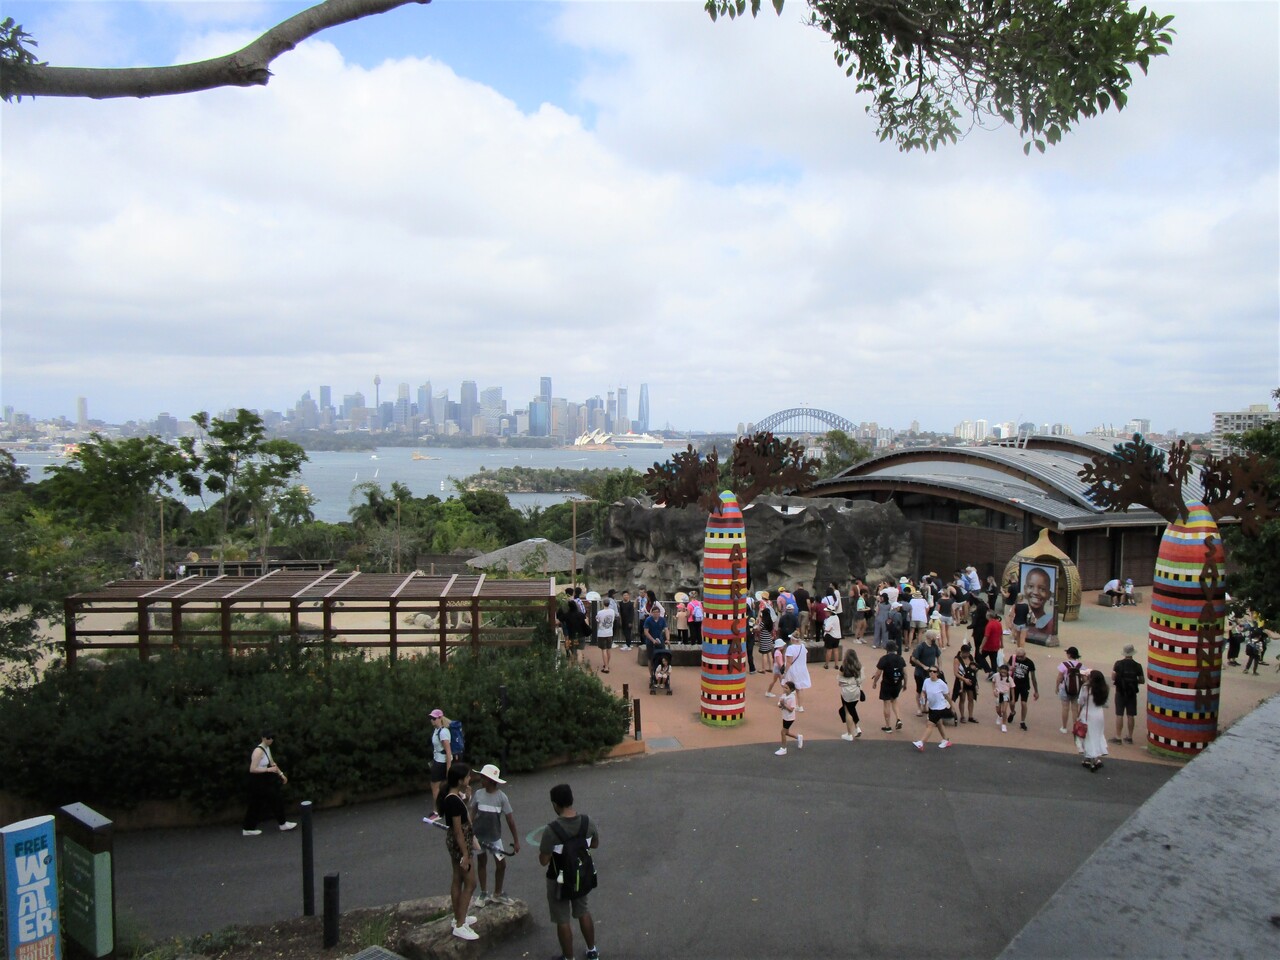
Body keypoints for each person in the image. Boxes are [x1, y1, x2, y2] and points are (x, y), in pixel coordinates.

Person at [539, 783, 600, 960]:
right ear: (571, 800)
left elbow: (544, 860)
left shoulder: (551, 830)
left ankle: (569, 957)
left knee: (562, 918)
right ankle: (592, 950)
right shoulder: (588, 822)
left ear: (555, 805)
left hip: (558, 879)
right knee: (583, 910)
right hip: (581, 875)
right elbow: (595, 843)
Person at [439, 762, 480, 940]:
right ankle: (460, 924)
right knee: (471, 882)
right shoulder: (453, 800)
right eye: (468, 776)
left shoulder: (453, 798)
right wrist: (465, 854)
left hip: (457, 841)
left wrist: (466, 799)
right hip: (460, 843)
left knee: (457, 878)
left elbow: (458, 813)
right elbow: (458, 830)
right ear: (461, 780)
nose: (470, 778)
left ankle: (458, 916)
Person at [470, 763, 520, 907]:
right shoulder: (478, 794)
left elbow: (510, 819)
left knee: (501, 864)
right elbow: (472, 813)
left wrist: (516, 840)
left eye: (483, 777)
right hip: (478, 836)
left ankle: (497, 892)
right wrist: (467, 827)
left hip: (495, 837)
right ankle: (484, 892)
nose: (481, 780)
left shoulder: (502, 797)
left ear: (491, 780)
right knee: (482, 862)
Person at [242, 731, 296, 836]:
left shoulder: (267, 748)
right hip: (258, 780)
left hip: (265, 779)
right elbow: (252, 769)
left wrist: (281, 774)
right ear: (263, 738)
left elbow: (272, 763)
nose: (270, 740)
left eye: (272, 738)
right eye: (268, 738)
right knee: (264, 802)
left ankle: (249, 827)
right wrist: (267, 770)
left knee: (263, 802)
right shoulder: (258, 751)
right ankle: (281, 823)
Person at [912, 665, 955, 750]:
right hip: (932, 707)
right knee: (939, 723)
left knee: (930, 725)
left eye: (934, 671)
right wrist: (923, 696)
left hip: (940, 708)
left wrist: (952, 707)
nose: (932, 673)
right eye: (930, 671)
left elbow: (947, 696)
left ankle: (921, 742)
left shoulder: (941, 684)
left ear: (937, 673)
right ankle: (946, 740)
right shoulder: (926, 681)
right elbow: (923, 691)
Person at [1076, 670, 1110, 771]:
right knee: (1097, 735)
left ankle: (1093, 761)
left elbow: (1081, 701)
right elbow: (1106, 703)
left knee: (1088, 737)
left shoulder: (1086, 688)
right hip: (1099, 715)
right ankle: (1090, 759)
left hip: (1087, 714)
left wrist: (1078, 714)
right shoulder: (1104, 688)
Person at [1111, 644, 1146, 744]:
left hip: (1120, 692)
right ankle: (1130, 737)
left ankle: (1118, 737)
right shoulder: (1137, 665)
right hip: (1132, 693)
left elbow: (1113, 677)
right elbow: (1142, 680)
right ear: (1132, 653)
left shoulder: (1118, 664)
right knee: (1131, 715)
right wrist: (1134, 682)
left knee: (1119, 714)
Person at [872, 643, 906, 733]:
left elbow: (878, 673)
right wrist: (905, 684)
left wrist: (874, 682)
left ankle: (888, 726)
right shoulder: (900, 658)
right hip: (897, 684)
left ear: (886, 649)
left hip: (887, 684)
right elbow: (905, 673)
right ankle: (898, 719)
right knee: (894, 700)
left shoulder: (884, 659)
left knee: (886, 703)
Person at [910, 629, 943, 716]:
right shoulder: (921, 646)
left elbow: (939, 655)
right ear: (930, 637)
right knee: (919, 690)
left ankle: (924, 706)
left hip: (930, 672)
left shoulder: (934, 646)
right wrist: (923, 666)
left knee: (927, 691)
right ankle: (919, 708)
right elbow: (914, 658)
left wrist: (940, 667)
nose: (935, 638)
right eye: (934, 637)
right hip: (920, 672)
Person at [428, 708, 454, 812]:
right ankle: (441, 808)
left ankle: (437, 810)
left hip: (441, 762)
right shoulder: (436, 730)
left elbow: (448, 751)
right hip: (437, 760)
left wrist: (448, 768)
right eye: (431, 718)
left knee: (435, 786)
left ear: (440, 718)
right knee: (439, 786)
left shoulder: (443, 732)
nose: (432, 720)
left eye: (434, 718)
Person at [837, 648, 864, 740]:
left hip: (847, 692)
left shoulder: (843, 667)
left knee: (848, 711)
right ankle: (857, 727)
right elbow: (862, 678)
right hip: (856, 691)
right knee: (852, 708)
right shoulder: (859, 666)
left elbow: (839, 680)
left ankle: (849, 734)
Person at [1057, 646, 1085, 735]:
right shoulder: (1081, 666)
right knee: (1075, 709)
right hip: (1077, 690)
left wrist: (1056, 686)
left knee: (1065, 708)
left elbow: (1060, 677)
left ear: (1069, 654)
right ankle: (1075, 728)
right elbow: (1084, 678)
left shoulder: (1064, 664)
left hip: (1065, 688)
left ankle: (1064, 727)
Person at [1024, 566, 1056, 643]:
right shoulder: (1022, 616)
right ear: (1025, 589)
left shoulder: (1050, 623)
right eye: (1031, 586)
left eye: (1042, 589)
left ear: (1049, 594)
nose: (1035, 592)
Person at [1010, 647, 1039, 730]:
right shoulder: (1013, 658)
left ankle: (1022, 721)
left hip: (1024, 685)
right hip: (1014, 685)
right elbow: (1006, 668)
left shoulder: (1030, 663)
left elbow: (1033, 678)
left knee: (1023, 703)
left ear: (1024, 655)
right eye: (1018, 656)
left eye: (1021, 656)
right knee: (1012, 702)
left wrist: (1036, 691)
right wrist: (1010, 668)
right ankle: (1012, 712)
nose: (1019, 658)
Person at [783, 629, 813, 712]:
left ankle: (787, 703)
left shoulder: (790, 648)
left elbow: (789, 662)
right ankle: (800, 706)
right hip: (802, 669)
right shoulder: (803, 646)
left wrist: (785, 672)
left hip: (793, 670)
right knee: (799, 688)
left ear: (793, 639)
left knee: (788, 686)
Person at [952, 644, 979, 725]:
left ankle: (970, 716)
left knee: (971, 698)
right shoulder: (957, 659)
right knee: (962, 699)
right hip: (961, 681)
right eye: (966, 653)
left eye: (968, 653)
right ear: (962, 652)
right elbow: (956, 673)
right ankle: (962, 716)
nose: (967, 655)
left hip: (970, 680)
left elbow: (975, 669)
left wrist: (976, 682)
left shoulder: (970, 657)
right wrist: (964, 679)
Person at [775, 680, 803, 755]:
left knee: (783, 732)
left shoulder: (792, 698)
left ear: (791, 690)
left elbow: (791, 709)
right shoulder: (783, 695)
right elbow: (779, 704)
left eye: (786, 688)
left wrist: (783, 704)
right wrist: (780, 704)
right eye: (784, 687)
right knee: (786, 732)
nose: (784, 689)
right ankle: (798, 737)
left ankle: (783, 749)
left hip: (790, 718)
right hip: (785, 716)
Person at [979, 608, 1003, 680]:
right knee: (993, 659)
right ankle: (994, 673)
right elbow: (1001, 634)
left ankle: (989, 671)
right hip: (996, 645)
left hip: (988, 645)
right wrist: (1002, 643)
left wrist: (981, 646)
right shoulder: (999, 623)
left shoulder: (989, 625)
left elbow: (986, 636)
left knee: (980, 657)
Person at [594, 599, 616, 673]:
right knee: (609, 649)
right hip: (610, 632)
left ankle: (606, 667)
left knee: (604, 649)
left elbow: (597, 620)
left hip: (602, 632)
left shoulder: (600, 612)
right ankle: (607, 664)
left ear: (603, 603)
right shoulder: (612, 611)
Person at [820, 599, 841, 670]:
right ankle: (836, 664)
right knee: (836, 650)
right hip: (837, 636)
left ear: (830, 612)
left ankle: (826, 664)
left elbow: (827, 629)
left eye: (826, 611)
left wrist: (823, 628)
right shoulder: (836, 617)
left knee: (829, 650)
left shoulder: (830, 619)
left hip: (830, 636)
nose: (825, 612)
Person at [992, 663, 1014, 732]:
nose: (1003, 673)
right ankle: (1000, 716)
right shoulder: (996, 675)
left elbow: (1012, 688)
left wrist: (1012, 698)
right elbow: (993, 682)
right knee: (998, 710)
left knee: (1004, 710)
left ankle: (1004, 725)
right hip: (998, 693)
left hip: (1005, 694)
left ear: (1007, 671)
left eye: (1004, 672)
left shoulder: (1010, 678)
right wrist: (994, 690)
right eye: (1001, 672)